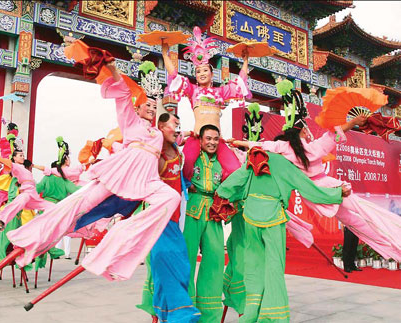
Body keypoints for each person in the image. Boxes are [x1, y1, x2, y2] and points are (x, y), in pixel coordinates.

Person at [5, 43, 180, 283]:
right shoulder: (130, 123)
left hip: (146, 181)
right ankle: (33, 239)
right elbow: (122, 95)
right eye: (146, 105)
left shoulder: (158, 134)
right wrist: (112, 68)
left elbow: (174, 139)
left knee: (172, 198)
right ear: (138, 108)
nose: (151, 108)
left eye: (154, 105)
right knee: (76, 206)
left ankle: (121, 236)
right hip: (117, 176)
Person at [232, 80, 401, 262]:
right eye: (305, 128)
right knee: (365, 212)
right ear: (301, 131)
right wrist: (353, 121)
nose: (307, 131)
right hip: (328, 187)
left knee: (353, 222)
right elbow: (334, 135)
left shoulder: (283, 148)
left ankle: (391, 249)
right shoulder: (313, 148)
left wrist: (236, 142)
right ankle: (395, 242)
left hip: (315, 195)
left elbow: (259, 145)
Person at [212, 147, 348, 322]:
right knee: (274, 268)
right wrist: (337, 193)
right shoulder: (286, 165)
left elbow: (236, 180)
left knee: (253, 266)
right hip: (272, 217)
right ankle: (273, 316)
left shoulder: (256, 157)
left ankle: (250, 312)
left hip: (250, 215)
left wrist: (221, 196)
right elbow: (310, 189)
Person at [162, 26, 250, 181]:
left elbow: (240, 83)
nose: (202, 74)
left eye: (205, 70)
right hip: (197, 137)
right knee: (187, 166)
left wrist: (245, 60)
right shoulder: (193, 90)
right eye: (198, 71)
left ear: (211, 73)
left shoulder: (220, 92)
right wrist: (164, 53)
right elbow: (174, 76)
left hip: (217, 138)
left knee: (235, 169)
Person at [137, 112, 200, 323]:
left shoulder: (175, 148)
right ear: (161, 127)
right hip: (158, 220)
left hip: (175, 219)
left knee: (181, 267)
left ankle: (166, 314)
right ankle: (180, 314)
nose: (178, 129)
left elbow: (184, 136)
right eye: (174, 124)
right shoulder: (153, 156)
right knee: (164, 265)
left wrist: (196, 132)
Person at [178, 123, 225, 322]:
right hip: (192, 209)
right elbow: (172, 141)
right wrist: (189, 134)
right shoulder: (190, 157)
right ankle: (183, 310)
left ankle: (210, 315)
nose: (212, 143)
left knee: (215, 261)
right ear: (201, 139)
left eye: (215, 139)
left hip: (213, 212)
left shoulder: (222, 161)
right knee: (186, 260)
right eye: (208, 138)